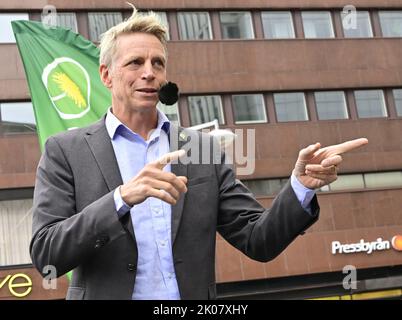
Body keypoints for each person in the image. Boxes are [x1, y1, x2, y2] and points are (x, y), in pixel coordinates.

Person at [30, 8, 368, 300]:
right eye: (135, 62)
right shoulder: (66, 150)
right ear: (106, 74)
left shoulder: (200, 150)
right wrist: (121, 198)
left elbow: (259, 240)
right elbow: (47, 252)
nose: (149, 72)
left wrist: (301, 186)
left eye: (158, 63)